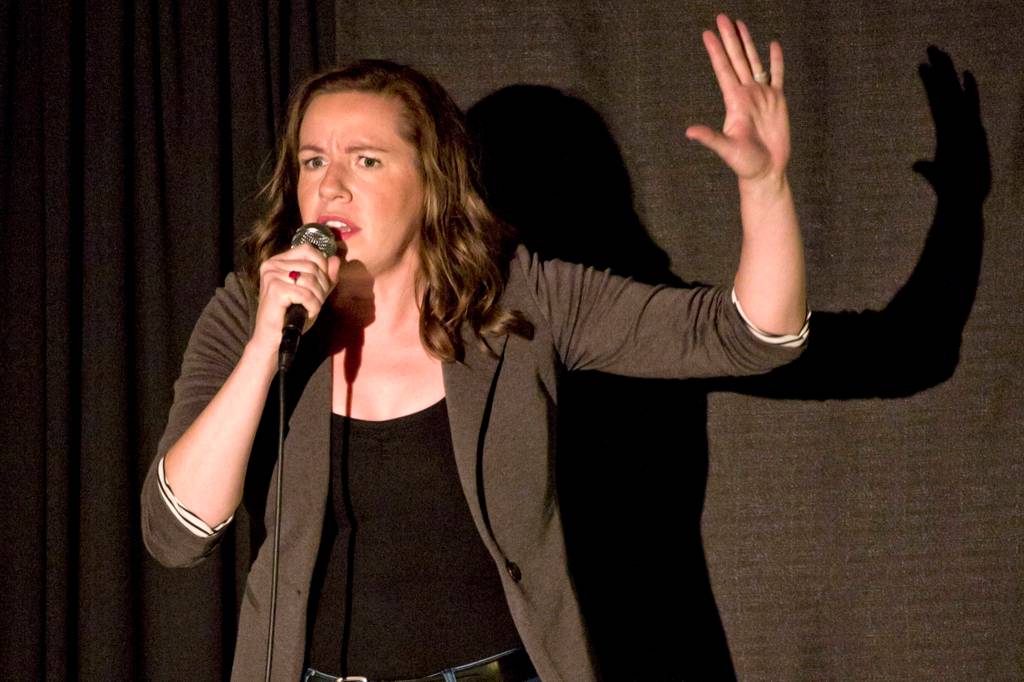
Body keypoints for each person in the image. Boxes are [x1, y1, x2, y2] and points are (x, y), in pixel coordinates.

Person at [141, 13, 809, 682]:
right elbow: (176, 536)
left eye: (365, 160)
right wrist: (266, 344)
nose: (330, 185)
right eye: (314, 160)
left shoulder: (522, 302)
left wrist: (765, 186)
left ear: (433, 181)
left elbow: (749, 336)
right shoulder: (249, 310)